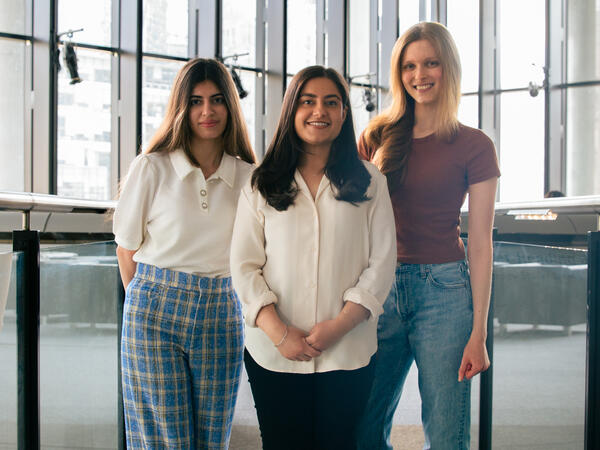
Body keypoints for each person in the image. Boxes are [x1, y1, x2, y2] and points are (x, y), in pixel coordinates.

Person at [230, 65, 397, 450]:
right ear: (292, 110)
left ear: (343, 113)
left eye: (330, 102)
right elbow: (244, 265)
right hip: (274, 351)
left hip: (349, 348)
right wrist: (280, 332)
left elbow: (382, 263)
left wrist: (340, 325)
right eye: (308, 101)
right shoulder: (260, 183)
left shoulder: (371, 182)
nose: (318, 111)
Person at [356, 22, 500, 450]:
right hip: (378, 289)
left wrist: (479, 332)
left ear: (448, 68)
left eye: (431, 63)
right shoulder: (375, 136)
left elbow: (479, 244)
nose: (420, 75)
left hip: (445, 290)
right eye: (410, 66)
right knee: (362, 423)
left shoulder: (474, 145)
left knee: (446, 430)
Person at [113, 58, 256, 449]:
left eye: (215, 100)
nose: (206, 111)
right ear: (181, 106)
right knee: (164, 440)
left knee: (212, 439)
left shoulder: (248, 177)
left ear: (230, 105)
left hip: (222, 310)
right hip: (154, 312)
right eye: (195, 101)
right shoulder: (151, 167)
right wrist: (147, 302)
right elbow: (127, 249)